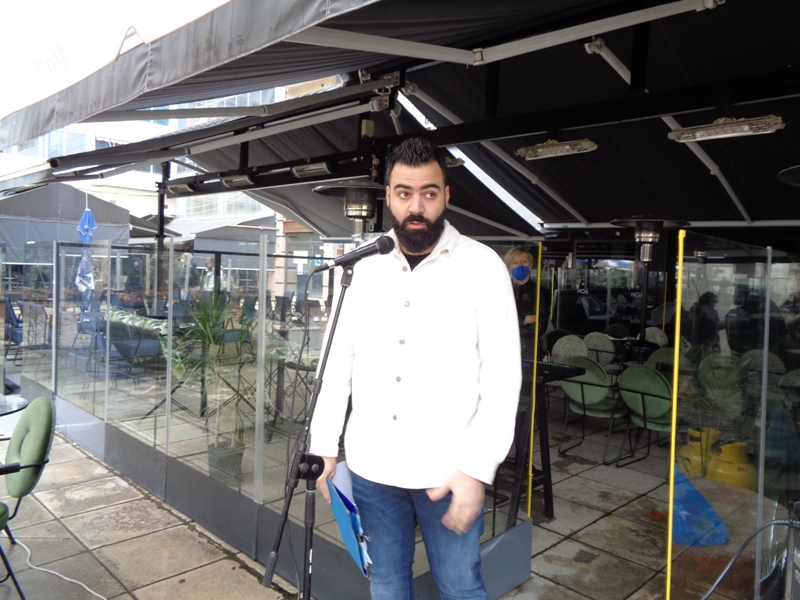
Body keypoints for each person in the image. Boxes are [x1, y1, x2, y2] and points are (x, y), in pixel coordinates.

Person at [310, 138, 521, 600]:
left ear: (447, 195)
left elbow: (503, 379)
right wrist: (323, 445)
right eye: (405, 193)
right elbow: (337, 361)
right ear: (388, 196)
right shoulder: (362, 265)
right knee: (385, 582)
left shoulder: (482, 266)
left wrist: (477, 468)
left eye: (429, 193)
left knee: (461, 587)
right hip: (371, 466)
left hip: (447, 471)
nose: (416, 207)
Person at [504, 246, 550, 361]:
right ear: (509, 268)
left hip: (529, 350)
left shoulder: (541, 292)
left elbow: (540, 327)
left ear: (530, 266)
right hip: (503, 347)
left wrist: (509, 322)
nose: (520, 265)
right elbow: (493, 321)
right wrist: (524, 320)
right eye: (515, 262)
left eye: (524, 262)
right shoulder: (501, 290)